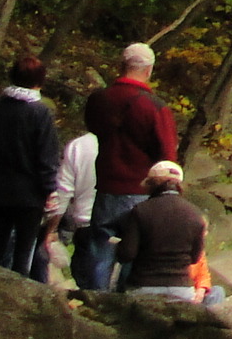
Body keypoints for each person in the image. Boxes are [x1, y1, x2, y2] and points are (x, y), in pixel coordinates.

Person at [81, 41, 177, 291]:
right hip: (142, 191)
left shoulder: (99, 100)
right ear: (149, 70)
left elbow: (93, 128)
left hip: (106, 185)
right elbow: (167, 156)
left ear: (121, 65)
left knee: (100, 245)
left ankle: (94, 300)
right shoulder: (155, 107)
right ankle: (126, 304)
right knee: (137, 251)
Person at [0, 57, 59, 277]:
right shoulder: (40, 113)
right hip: (30, 194)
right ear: (39, 81)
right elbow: (46, 156)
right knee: (23, 252)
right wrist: (50, 189)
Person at [113, 160, 209, 302]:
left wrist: (116, 245)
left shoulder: (140, 211)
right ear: (179, 185)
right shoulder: (195, 214)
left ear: (151, 184)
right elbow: (195, 258)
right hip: (181, 289)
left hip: (144, 287)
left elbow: (127, 254)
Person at [46, 124, 99, 288]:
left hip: (86, 221)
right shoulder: (140, 143)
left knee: (86, 279)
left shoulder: (81, 145)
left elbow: (64, 190)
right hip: (129, 224)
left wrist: (51, 228)